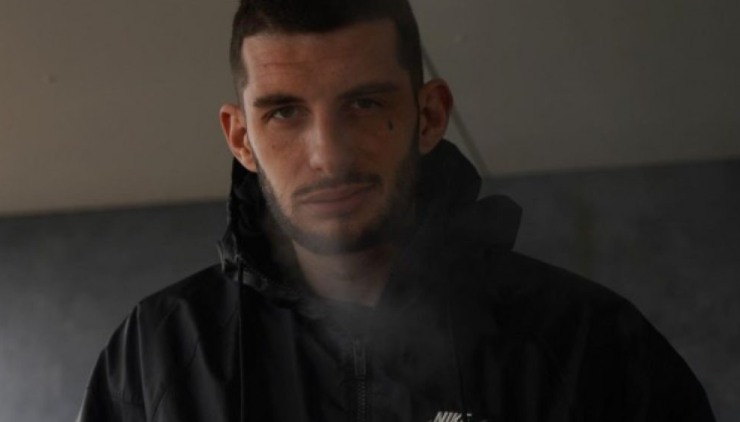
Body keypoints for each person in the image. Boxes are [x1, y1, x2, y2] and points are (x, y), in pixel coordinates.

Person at [77, 0, 715, 421]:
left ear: (429, 115)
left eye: (364, 105)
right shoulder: (156, 353)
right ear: (241, 138)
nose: (328, 156)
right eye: (285, 112)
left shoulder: (587, 344)